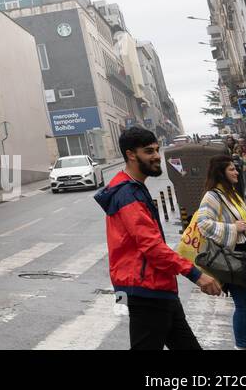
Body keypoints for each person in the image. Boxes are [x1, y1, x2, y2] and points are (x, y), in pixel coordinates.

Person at [95, 128, 221, 349]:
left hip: (153, 286)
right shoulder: (128, 194)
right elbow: (151, 246)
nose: (156, 156)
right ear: (131, 155)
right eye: (148, 151)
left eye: (156, 149)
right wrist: (196, 275)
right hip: (145, 289)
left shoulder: (133, 188)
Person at [195, 156, 246, 350]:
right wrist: (233, 227)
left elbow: (245, 225)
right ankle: (242, 346)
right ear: (221, 173)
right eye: (231, 170)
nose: (236, 172)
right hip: (234, 258)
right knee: (245, 306)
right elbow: (203, 223)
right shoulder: (213, 195)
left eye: (235, 169)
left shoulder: (232, 194)